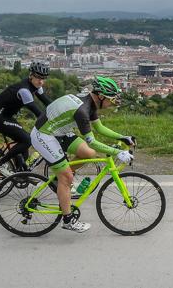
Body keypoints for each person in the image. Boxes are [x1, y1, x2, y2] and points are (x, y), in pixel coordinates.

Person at [30, 75, 135, 233]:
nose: (112, 103)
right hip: (44, 135)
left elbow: (99, 128)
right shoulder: (82, 110)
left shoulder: (90, 103)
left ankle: (60, 182)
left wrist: (121, 137)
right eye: (111, 99)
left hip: (58, 132)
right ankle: (68, 219)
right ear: (101, 96)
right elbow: (92, 140)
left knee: (88, 153)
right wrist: (118, 152)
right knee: (67, 177)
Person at [0, 61, 51, 175]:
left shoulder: (37, 86)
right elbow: (38, 113)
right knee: (27, 139)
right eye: (38, 77)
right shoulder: (24, 90)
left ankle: (20, 172)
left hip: (6, 116)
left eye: (43, 78)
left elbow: (49, 103)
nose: (41, 81)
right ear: (31, 75)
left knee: (24, 139)